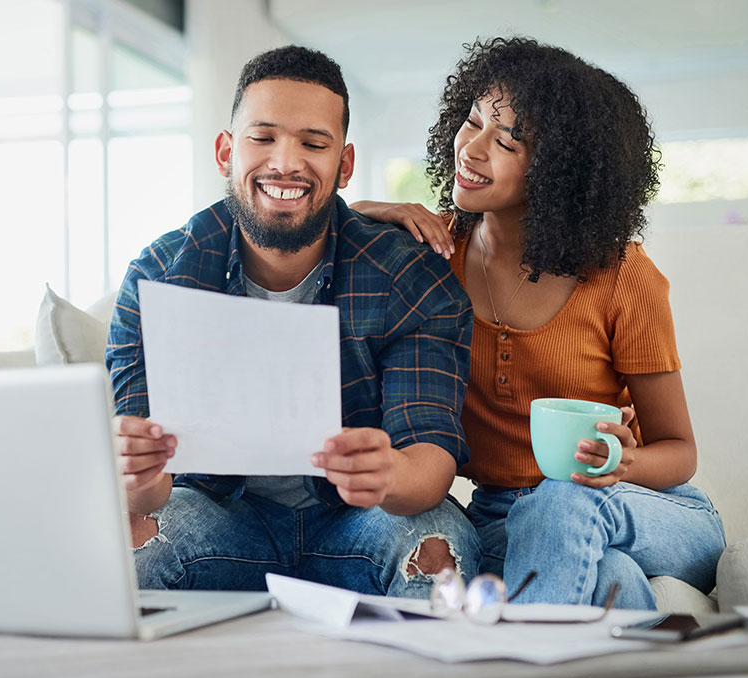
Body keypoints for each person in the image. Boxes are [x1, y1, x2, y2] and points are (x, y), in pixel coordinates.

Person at [352, 37, 725, 609]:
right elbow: (315, 247)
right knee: (612, 582)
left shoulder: (623, 277)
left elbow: (680, 452)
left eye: (506, 140)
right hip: (504, 518)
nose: (472, 149)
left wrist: (625, 461)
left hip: (647, 506)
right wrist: (362, 214)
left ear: (562, 172)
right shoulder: (431, 257)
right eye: (472, 121)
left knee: (563, 497)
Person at [105, 45, 482, 597]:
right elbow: (148, 495)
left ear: (344, 165)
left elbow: (428, 459)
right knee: (128, 548)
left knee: (438, 547)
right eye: (263, 138)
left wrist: (389, 475)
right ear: (225, 152)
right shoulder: (158, 276)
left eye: (313, 143)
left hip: (359, 522)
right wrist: (135, 475)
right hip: (221, 517)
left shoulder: (408, 275)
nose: (285, 162)